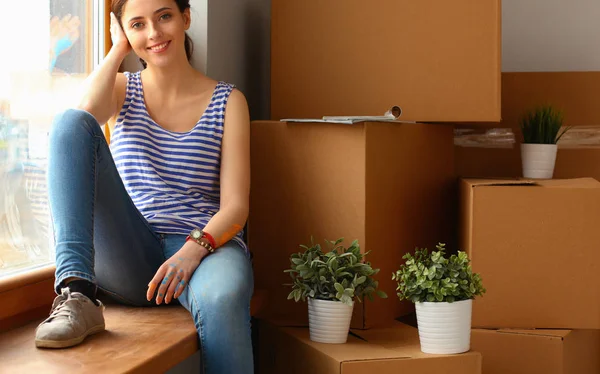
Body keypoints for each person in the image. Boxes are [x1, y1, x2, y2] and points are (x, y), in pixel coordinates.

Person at [34, 0, 254, 373]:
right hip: (131, 251)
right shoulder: (121, 89)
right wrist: (119, 48)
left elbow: (235, 207)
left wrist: (193, 249)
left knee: (223, 298)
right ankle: (77, 293)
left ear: (185, 17)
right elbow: (81, 121)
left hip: (205, 247)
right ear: (124, 31)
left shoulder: (229, 101)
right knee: (70, 122)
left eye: (164, 16)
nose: (153, 33)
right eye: (137, 25)